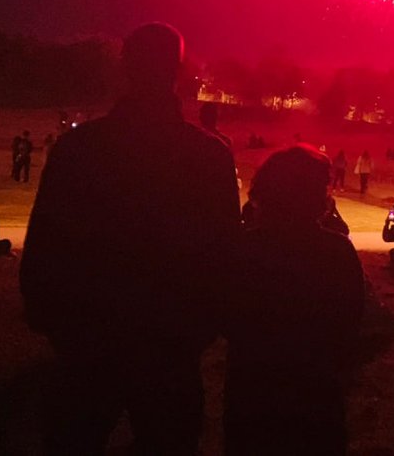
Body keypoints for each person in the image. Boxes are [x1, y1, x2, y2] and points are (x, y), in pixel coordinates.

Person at [20, 23, 240, 456]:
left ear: (125, 67)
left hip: (88, 332)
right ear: (177, 72)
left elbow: (46, 238)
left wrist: (51, 318)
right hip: (171, 337)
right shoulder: (208, 155)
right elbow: (225, 254)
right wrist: (204, 325)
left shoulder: (79, 148)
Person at [223, 146, 364, 455]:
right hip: (315, 396)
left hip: (253, 395)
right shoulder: (336, 252)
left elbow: (224, 318)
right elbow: (353, 325)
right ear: (317, 196)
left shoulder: (243, 249)